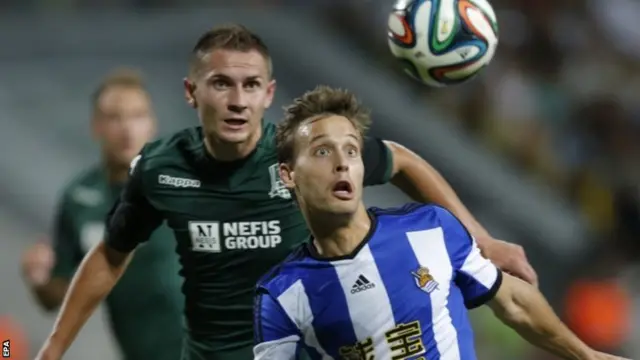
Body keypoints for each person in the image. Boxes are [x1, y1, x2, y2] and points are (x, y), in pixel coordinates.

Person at [36, 24, 535, 360]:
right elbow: (108, 256)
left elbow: (402, 159)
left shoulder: (303, 151)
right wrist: (52, 349)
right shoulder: (160, 170)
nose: (237, 101)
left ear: (269, 94)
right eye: (221, 84)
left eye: (251, 85)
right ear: (192, 93)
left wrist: (481, 240)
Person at [253, 85, 627, 360]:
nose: (341, 162)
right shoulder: (283, 295)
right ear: (288, 175)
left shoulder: (429, 229)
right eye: (322, 151)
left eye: (351, 150)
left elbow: (512, 300)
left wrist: (585, 355)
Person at [23, 69, 184, 360]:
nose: (127, 129)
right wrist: (38, 280)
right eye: (114, 117)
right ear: (96, 127)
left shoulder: (184, 184)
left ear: (152, 124)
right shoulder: (79, 198)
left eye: (137, 116)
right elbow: (57, 295)